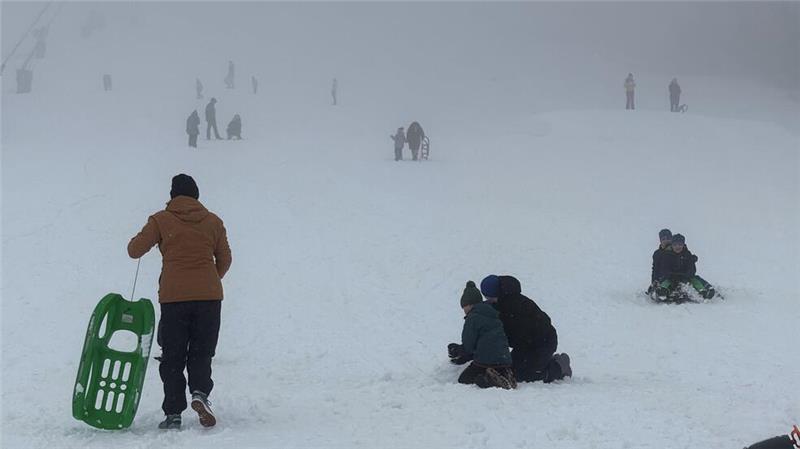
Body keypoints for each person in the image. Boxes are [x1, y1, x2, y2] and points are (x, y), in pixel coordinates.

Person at [128, 174, 232, 430]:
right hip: (209, 298)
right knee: (201, 351)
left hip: (174, 298)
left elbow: (134, 250)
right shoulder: (213, 221)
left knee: (173, 356)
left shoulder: (161, 220)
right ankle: (199, 393)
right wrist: (207, 280)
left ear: (173, 195)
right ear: (196, 195)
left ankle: (173, 413)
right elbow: (225, 259)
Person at [479, 275, 571, 383]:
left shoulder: (513, 306)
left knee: (527, 376)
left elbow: (516, 333)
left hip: (542, 343)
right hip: (525, 344)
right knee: (511, 370)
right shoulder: (501, 304)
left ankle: (559, 365)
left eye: (490, 298)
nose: (488, 301)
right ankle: (540, 362)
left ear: (497, 294)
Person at [447, 281, 516, 390]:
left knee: (464, 379)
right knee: (497, 366)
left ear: (469, 305)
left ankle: (490, 380)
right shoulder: (492, 312)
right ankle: (504, 373)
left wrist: (458, 350)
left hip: (486, 359)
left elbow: (469, 345)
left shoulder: (472, 318)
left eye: (464, 307)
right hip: (504, 357)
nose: (464, 311)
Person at [653, 233, 716, 301]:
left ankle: (704, 290)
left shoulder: (687, 254)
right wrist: (670, 275)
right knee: (665, 282)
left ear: (683, 245)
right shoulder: (667, 255)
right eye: (675, 245)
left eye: (680, 244)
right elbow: (664, 269)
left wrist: (687, 274)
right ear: (672, 245)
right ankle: (662, 292)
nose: (678, 247)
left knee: (695, 279)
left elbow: (692, 269)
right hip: (671, 278)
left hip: (685, 277)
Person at [647, 228, 673, 295]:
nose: (666, 241)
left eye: (668, 239)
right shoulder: (657, 253)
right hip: (663, 278)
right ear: (660, 241)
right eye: (663, 239)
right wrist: (654, 281)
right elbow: (655, 269)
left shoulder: (677, 250)